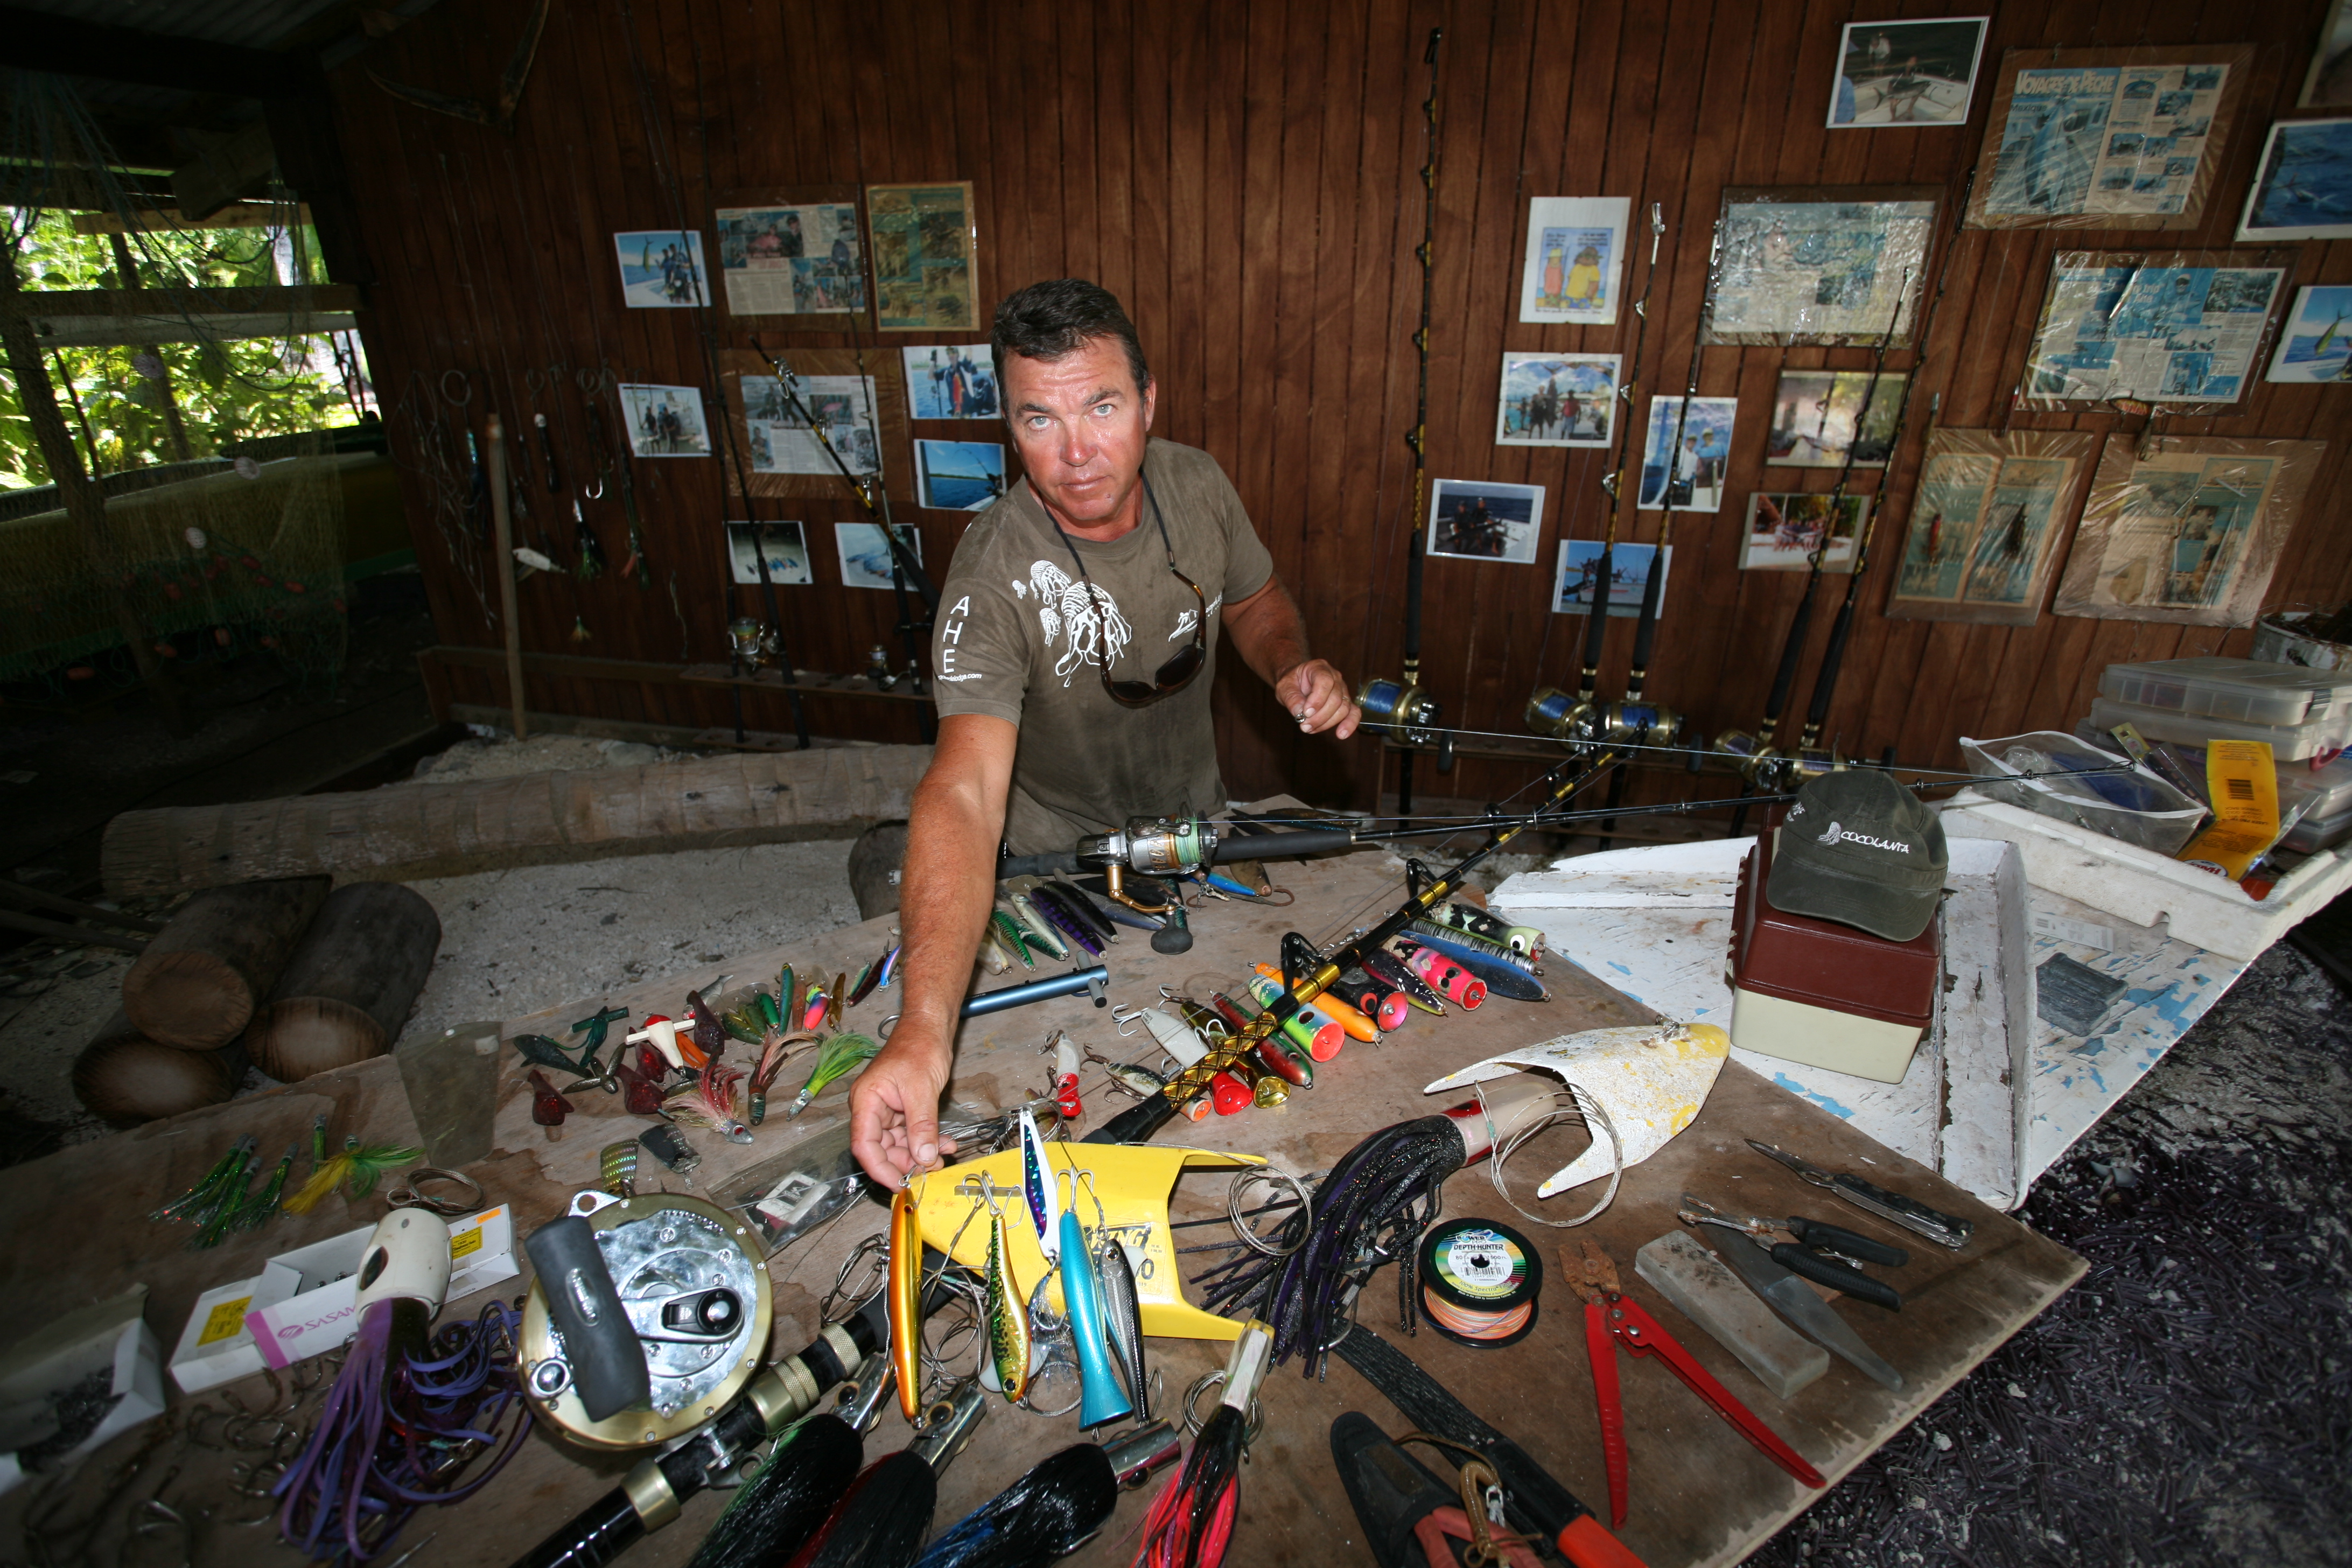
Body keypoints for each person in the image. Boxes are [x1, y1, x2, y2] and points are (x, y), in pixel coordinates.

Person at [847, 279, 1360, 1187]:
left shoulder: (1196, 483)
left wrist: (1287, 665)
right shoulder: (990, 577)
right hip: (1060, 867)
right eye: (1038, 418)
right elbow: (963, 792)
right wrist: (923, 1035)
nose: (1076, 452)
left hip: (1202, 828)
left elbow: (1254, 599)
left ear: (1149, 402)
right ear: (1008, 426)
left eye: (1103, 406)